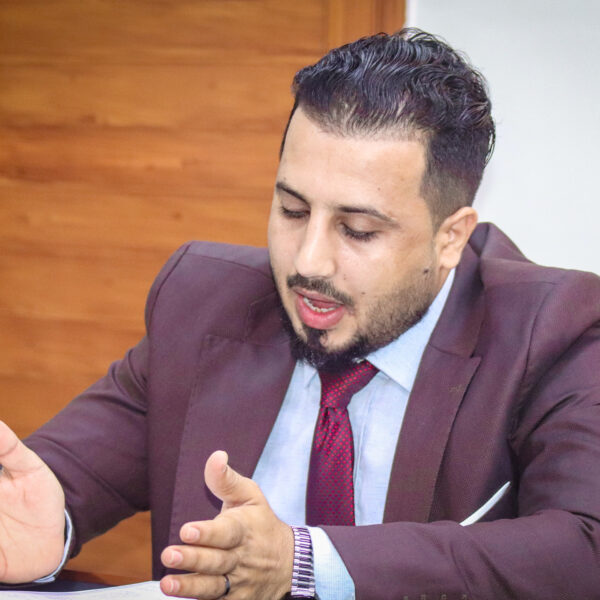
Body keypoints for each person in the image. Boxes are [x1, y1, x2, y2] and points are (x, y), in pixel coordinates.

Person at [1, 28, 600, 600]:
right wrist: (47, 521)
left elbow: (584, 548)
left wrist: (306, 562)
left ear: (451, 238)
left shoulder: (550, 330)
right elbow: (63, 480)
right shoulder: (203, 303)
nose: (308, 262)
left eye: (358, 230)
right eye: (292, 211)